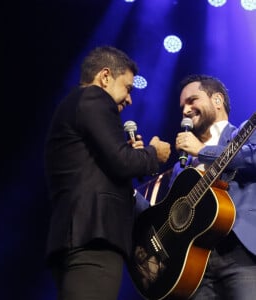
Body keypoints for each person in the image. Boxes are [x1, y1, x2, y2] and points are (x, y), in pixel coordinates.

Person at [44, 45, 171, 300]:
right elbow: (121, 162)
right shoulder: (94, 97)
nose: (130, 99)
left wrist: (132, 154)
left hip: (75, 235)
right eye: (128, 88)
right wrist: (151, 153)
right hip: (93, 237)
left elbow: (107, 165)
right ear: (105, 77)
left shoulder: (76, 105)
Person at [170, 74, 256, 299]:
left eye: (192, 100)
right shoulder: (183, 163)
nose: (185, 110)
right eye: (182, 106)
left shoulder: (245, 131)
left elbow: (252, 157)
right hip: (196, 265)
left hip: (242, 254)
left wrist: (202, 151)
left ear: (217, 100)